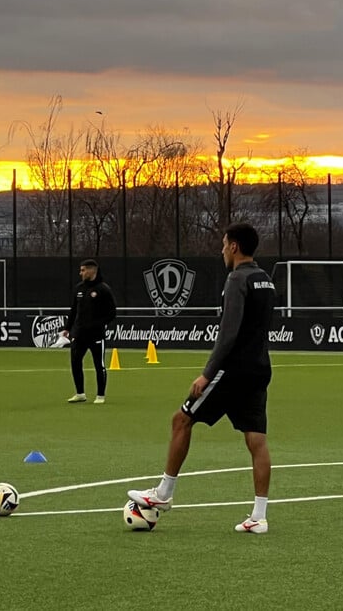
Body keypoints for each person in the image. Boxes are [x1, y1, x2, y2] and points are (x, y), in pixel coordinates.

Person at [127, 222, 276, 534]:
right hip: (260, 368)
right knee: (256, 440)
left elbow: (228, 332)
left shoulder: (237, 279)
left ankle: (163, 494)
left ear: (234, 246)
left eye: (224, 244)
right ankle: (259, 516)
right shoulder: (265, 280)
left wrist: (207, 374)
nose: (221, 249)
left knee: (181, 420)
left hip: (233, 371)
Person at [61, 259, 116, 404]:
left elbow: (112, 313)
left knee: (99, 365)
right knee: (75, 362)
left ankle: (100, 395)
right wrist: (68, 328)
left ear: (92, 271)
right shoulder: (79, 288)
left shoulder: (103, 289)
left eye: (83, 270)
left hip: (96, 335)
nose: (81, 273)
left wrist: (98, 324)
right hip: (79, 334)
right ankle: (80, 393)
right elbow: (74, 310)